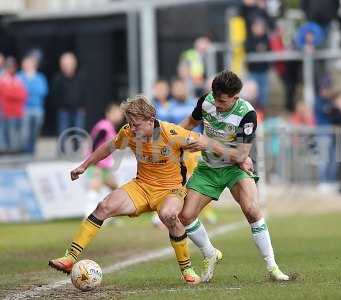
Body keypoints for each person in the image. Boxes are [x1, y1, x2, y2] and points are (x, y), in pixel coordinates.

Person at [49, 96, 202, 285]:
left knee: (169, 215)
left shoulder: (172, 133)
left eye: (136, 124)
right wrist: (84, 165)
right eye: (130, 123)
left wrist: (236, 158)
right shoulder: (129, 132)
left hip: (170, 190)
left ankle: (187, 269)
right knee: (104, 206)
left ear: (151, 119)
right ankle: (69, 258)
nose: (132, 128)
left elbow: (204, 143)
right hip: (141, 186)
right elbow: (107, 148)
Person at [178, 70, 289, 282]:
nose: (217, 105)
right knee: (185, 217)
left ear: (235, 97)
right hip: (208, 168)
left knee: (252, 209)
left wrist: (208, 143)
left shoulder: (247, 114)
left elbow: (240, 155)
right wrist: (166, 137)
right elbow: (187, 125)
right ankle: (210, 254)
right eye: (215, 98)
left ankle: (272, 267)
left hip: (234, 169)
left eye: (222, 101)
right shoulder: (206, 101)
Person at [18, 53, 49, 154]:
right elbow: (18, 92)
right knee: (25, 133)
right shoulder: (19, 76)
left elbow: (43, 91)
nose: (27, 65)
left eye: (29, 63)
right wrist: (29, 91)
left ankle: (32, 150)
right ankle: (25, 152)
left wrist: (27, 91)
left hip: (37, 109)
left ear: (34, 65)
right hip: (24, 108)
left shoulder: (40, 77)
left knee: (35, 132)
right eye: (25, 63)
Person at [52, 52, 88, 134]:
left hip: (79, 110)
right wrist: (59, 106)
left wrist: (83, 106)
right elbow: (54, 95)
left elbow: (85, 93)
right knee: (63, 134)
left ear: (74, 64)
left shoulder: (81, 77)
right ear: (61, 65)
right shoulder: (58, 79)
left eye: (69, 64)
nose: (67, 66)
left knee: (79, 133)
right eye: (64, 64)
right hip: (63, 111)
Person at [0, 57, 27, 152]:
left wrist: (12, 94)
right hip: (5, 110)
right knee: (4, 131)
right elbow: (5, 93)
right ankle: (4, 149)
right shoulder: (3, 79)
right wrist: (14, 93)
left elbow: (23, 94)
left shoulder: (18, 79)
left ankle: (14, 149)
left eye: (12, 67)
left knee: (16, 132)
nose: (11, 69)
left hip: (17, 110)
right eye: (8, 67)